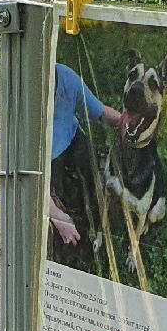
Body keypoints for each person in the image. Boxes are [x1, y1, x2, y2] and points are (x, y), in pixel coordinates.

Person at [47, 62, 125, 250]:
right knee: (65, 220)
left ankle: (99, 228)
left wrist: (125, 123)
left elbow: (99, 111)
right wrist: (56, 216)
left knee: (94, 185)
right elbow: (28, 180)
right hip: (46, 163)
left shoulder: (66, 77)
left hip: (74, 140)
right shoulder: (22, 107)